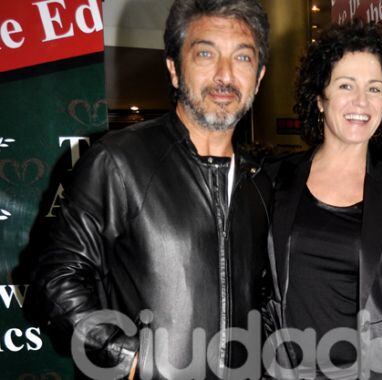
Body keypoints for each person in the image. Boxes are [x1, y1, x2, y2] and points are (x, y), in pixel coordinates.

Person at [26, 0, 271, 378]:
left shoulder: (259, 181)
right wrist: (129, 358)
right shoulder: (119, 161)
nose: (225, 75)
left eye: (242, 58)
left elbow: (266, 296)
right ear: (174, 69)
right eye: (206, 53)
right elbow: (55, 281)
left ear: (258, 76)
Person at [263, 21, 382, 379]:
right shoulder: (275, 179)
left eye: (374, 88)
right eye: (345, 85)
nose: (361, 101)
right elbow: (258, 284)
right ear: (320, 99)